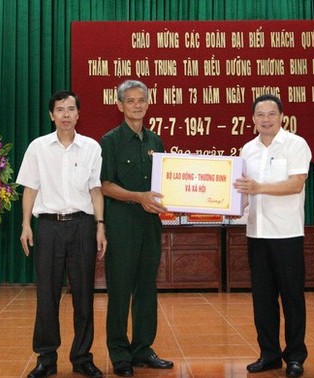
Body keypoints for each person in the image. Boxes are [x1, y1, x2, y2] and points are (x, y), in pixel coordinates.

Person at [17, 91, 106, 378]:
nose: (66, 115)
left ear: (79, 114)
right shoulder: (38, 147)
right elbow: (30, 187)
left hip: (82, 225)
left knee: (83, 295)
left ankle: (82, 357)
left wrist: (100, 225)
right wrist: (25, 225)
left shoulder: (91, 147)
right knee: (47, 294)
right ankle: (46, 358)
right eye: (60, 110)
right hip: (48, 226)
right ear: (51, 115)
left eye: (71, 109)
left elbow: (96, 190)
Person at [234, 94, 311, 378]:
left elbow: (295, 184)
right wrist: (227, 207)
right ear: (252, 119)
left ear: (282, 117)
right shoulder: (247, 149)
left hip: (287, 233)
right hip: (257, 232)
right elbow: (243, 190)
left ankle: (295, 356)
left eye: (271, 114)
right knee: (262, 298)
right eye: (260, 114)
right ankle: (269, 354)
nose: (266, 119)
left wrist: (259, 188)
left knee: (292, 297)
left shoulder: (296, 144)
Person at [99, 79, 173, 377]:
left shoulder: (156, 142)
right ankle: (120, 353)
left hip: (149, 225)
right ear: (120, 105)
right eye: (130, 101)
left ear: (147, 103)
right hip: (121, 223)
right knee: (120, 290)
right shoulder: (110, 141)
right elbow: (104, 185)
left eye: (141, 99)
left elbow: (165, 184)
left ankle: (143, 349)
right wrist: (137, 197)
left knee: (146, 289)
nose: (136, 105)